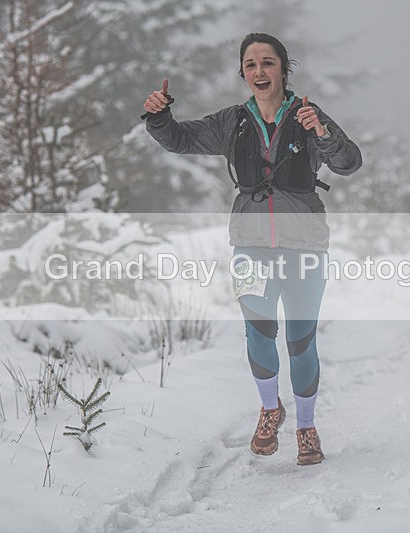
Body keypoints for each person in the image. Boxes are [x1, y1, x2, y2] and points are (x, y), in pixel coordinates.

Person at [142, 33, 361, 466]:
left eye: (268, 62)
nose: (259, 71)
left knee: (301, 342)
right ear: (243, 73)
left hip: (305, 247)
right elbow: (180, 139)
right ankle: (268, 409)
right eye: (251, 65)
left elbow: (349, 162)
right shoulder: (232, 122)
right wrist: (159, 118)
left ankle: (306, 426)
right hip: (249, 246)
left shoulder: (308, 115)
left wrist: (325, 134)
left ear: (284, 68)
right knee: (259, 335)